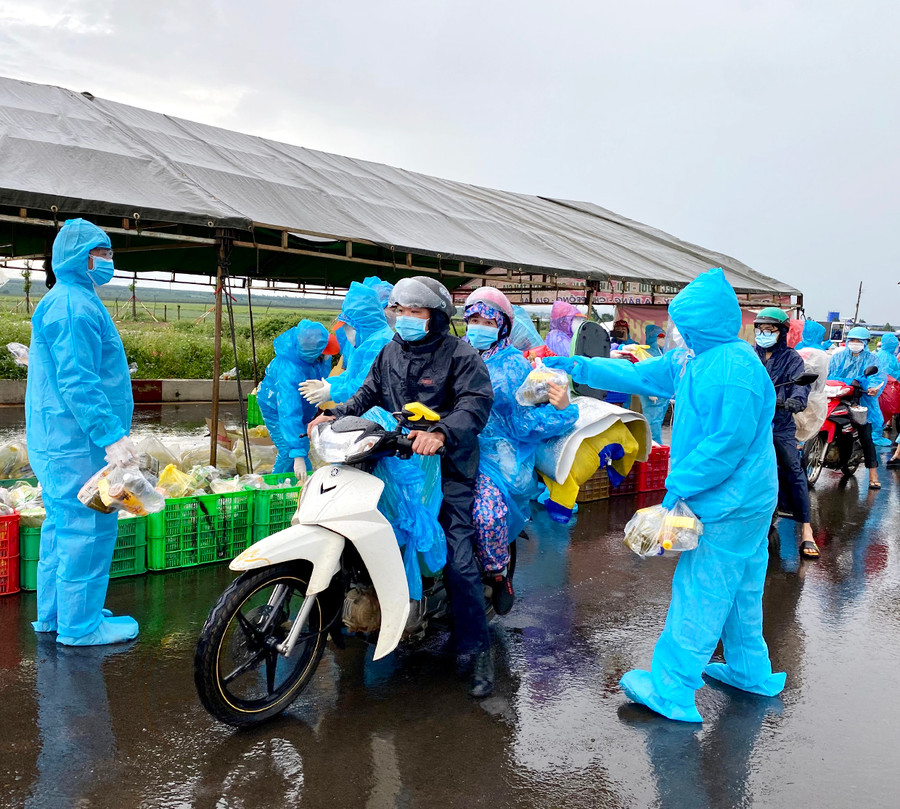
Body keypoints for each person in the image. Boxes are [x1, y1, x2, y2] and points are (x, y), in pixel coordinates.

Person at [543, 268, 785, 723]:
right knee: (739, 588)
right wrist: (580, 367)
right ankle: (750, 670)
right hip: (735, 498)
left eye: (684, 322)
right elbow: (643, 376)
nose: (678, 331)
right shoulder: (695, 358)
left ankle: (672, 688)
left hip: (730, 501)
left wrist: (677, 489)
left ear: (704, 321)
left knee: (702, 589)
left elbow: (725, 446)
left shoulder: (736, 371)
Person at [307, 276, 496, 697]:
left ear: (437, 317)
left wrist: (443, 432)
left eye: (416, 312)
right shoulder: (390, 352)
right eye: (401, 311)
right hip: (395, 458)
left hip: (448, 466)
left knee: (458, 552)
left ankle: (476, 649)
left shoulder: (461, 356)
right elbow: (367, 394)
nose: (406, 319)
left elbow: (475, 404)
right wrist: (334, 413)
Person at [26, 219, 139, 646]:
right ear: (79, 257)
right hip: (79, 442)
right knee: (87, 530)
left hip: (61, 440)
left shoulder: (69, 300)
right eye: (102, 252)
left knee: (61, 530)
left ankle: (57, 615)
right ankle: (81, 626)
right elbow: (78, 380)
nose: (108, 261)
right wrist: (109, 434)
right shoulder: (74, 306)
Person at [463, 287, 578, 614]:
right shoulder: (456, 353)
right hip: (451, 444)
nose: (477, 325)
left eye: (486, 320)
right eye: (472, 318)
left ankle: (498, 574)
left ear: (501, 325)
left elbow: (523, 421)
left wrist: (564, 411)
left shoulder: (511, 364)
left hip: (495, 456)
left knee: (486, 513)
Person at [753, 308, 818, 559]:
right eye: (760, 329)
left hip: (779, 424)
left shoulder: (792, 359)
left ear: (782, 332)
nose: (763, 334)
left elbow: (801, 387)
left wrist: (795, 401)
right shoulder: (748, 354)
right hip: (751, 423)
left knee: (793, 471)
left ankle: (806, 530)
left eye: (770, 330)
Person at [258, 320, 333, 480]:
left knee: (300, 446)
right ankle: (274, 490)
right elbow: (289, 413)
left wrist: (325, 361)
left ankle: (299, 484)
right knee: (288, 450)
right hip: (276, 407)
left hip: (302, 406)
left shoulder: (311, 353)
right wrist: (297, 455)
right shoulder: (289, 371)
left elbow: (319, 375)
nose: (325, 355)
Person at [301, 281, 394, 407]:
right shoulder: (366, 341)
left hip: (377, 410)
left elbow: (365, 386)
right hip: (362, 407)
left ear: (360, 325)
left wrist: (332, 391)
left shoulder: (380, 343)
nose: (346, 333)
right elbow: (351, 375)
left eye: (347, 328)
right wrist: (327, 384)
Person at [828, 327, 885, 488]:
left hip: (861, 399)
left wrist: (873, 388)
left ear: (865, 343)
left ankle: (873, 473)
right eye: (852, 340)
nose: (855, 344)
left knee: (866, 435)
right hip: (838, 396)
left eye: (858, 341)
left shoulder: (872, 359)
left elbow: (877, 378)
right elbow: (829, 375)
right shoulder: (837, 357)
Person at [638, 325, 669, 443]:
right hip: (651, 395)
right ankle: (653, 449)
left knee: (658, 421)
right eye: (660, 337)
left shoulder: (663, 353)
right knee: (652, 424)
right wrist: (650, 391)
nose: (663, 340)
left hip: (662, 394)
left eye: (664, 336)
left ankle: (657, 447)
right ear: (652, 337)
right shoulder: (645, 353)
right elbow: (644, 374)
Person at [873, 333, 900, 447]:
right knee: (882, 413)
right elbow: (890, 374)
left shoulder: (879, 354)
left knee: (877, 412)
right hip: (886, 390)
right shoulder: (889, 358)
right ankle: (876, 436)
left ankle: (875, 434)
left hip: (879, 388)